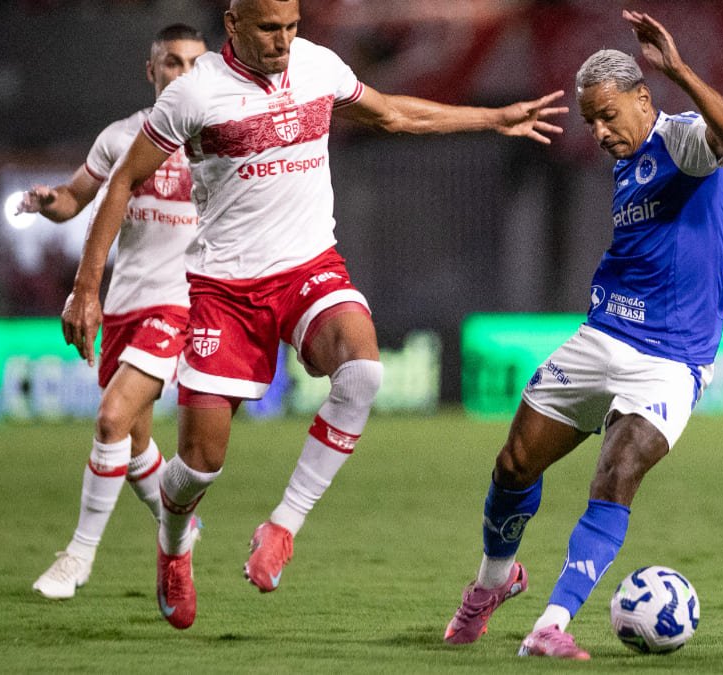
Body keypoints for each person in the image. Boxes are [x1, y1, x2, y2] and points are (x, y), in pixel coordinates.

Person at [61, 0, 567, 630]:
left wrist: (493, 117)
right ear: (234, 24)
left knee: (363, 373)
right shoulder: (194, 96)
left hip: (308, 269)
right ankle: (172, 543)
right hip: (225, 289)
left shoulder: (318, 66)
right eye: (270, 28)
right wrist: (86, 287)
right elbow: (123, 181)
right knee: (198, 465)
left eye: (292, 26)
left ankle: (282, 526)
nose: (283, 40)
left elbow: (392, 113)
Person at [442, 10, 723, 659]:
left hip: (671, 361)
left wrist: (677, 69)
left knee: (616, 472)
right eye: (590, 120)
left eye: (608, 115)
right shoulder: (625, 162)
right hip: (603, 333)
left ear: (643, 98)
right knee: (514, 462)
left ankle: (551, 623)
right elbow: (710, 246)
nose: (599, 130)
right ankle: (493, 582)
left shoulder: (684, 142)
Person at [23, 24, 208, 601]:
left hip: (179, 306)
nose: (183, 74)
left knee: (109, 419)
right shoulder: (122, 138)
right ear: (150, 71)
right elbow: (77, 197)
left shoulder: (219, 139)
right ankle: (182, 526)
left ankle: (77, 556)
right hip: (123, 305)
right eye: (172, 63)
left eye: (194, 65)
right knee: (130, 448)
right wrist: (48, 201)